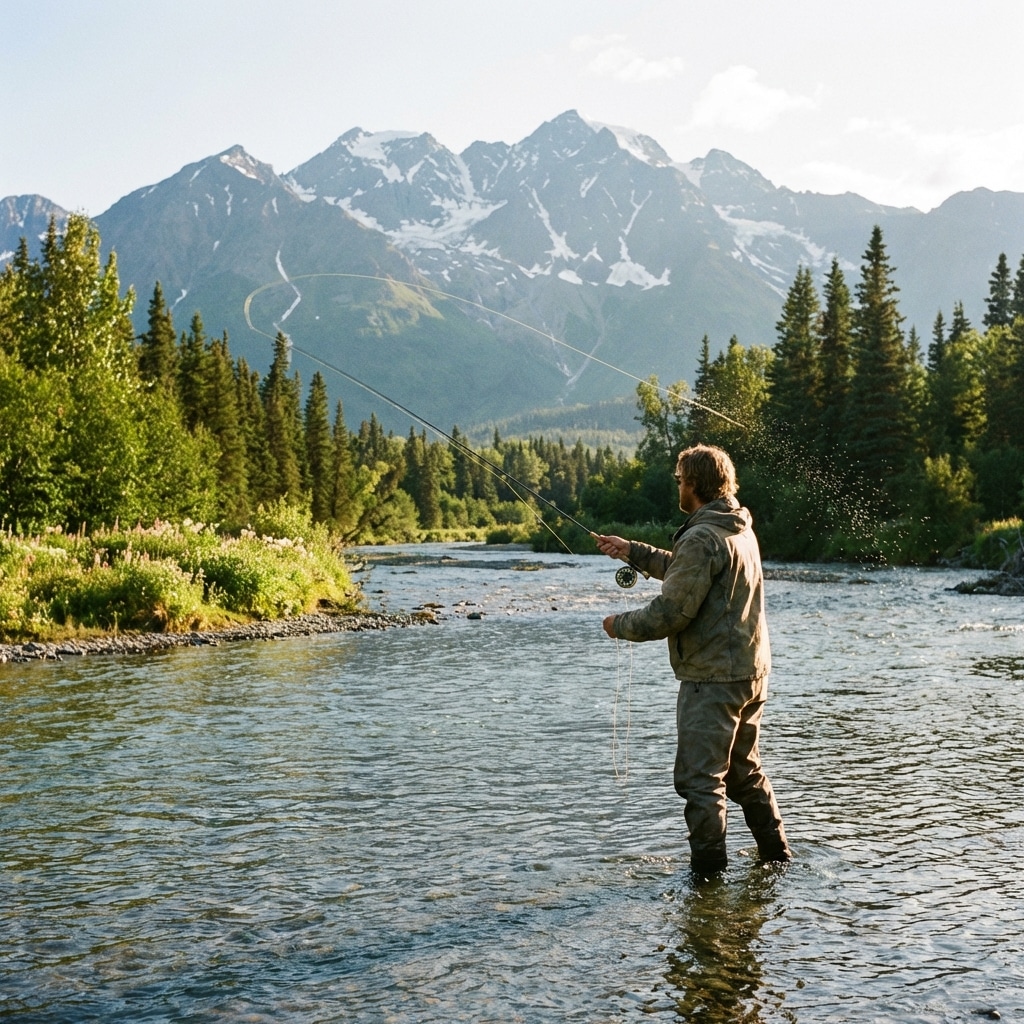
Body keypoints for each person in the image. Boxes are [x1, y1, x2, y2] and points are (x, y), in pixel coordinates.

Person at [596, 443, 790, 877]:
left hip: (712, 678)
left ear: (696, 484)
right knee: (743, 772)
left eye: (681, 479)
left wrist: (618, 625)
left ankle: (707, 880)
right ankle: (777, 857)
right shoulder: (737, 526)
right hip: (750, 672)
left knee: (701, 783)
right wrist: (633, 551)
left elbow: (671, 613)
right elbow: (690, 569)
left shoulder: (703, 535)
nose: (678, 486)